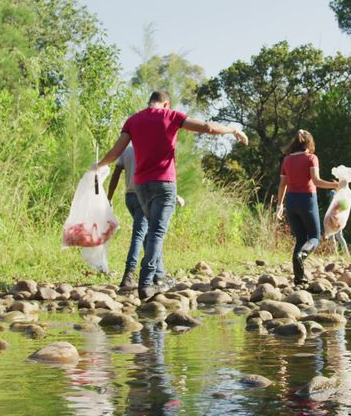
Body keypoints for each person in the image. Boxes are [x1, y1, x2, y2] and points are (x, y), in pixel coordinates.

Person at [95, 91, 247, 300]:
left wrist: (98, 166)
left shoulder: (133, 120)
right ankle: (146, 282)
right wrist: (232, 130)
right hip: (164, 183)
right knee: (156, 233)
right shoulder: (170, 116)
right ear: (166, 103)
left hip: (141, 186)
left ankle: (158, 277)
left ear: (150, 102)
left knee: (151, 232)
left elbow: (115, 152)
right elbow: (208, 127)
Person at [275, 130, 345, 285]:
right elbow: (316, 181)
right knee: (314, 237)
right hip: (306, 199)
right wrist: (336, 185)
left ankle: (299, 278)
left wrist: (279, 206)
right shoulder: (311, 158)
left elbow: (282, 185)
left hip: (291, 201)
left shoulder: (286, 160)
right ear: (309, 143)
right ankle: (302, 255)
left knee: (300, 238)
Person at [107, 144, 165, 289]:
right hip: (143, 195)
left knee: (147, 235)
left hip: (130, 197)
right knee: (142, 235)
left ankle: (158, 273)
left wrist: (109, 197)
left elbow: (116, 174)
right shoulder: (149, 148)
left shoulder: (126, 150)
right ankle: (129, 274)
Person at [324, 189, 349, 256]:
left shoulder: (332, 192)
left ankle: (336, 253)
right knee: (339, 236)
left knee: (333, 235)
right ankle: (345, 253)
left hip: (333, 216)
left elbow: (333, 202)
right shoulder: (340, 194)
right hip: (338, 217)